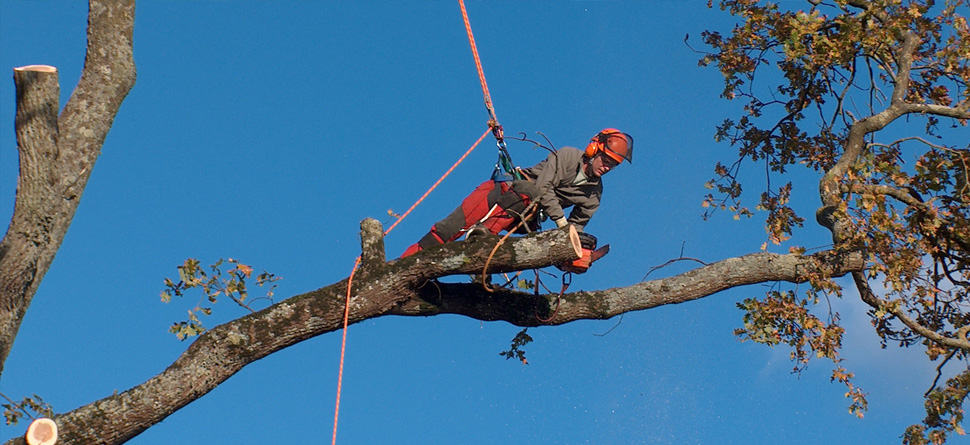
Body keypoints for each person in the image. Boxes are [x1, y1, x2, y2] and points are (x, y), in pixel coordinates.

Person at [400, 128, 633, 257]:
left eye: (613, 165)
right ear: (594, 150)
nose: (607, 166)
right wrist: (561, 222)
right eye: (605, 159)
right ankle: (403, 266)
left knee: (530, 206)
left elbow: (575, 227)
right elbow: (543, 188)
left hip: (525, 216)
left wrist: (576, 250)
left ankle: (483, 242)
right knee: (446, 230)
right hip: (502, 193)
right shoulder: (567, 156)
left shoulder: (594, 195)